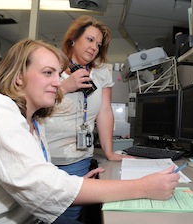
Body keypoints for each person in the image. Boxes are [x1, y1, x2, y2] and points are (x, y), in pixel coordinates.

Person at [0, 38, 180, 224]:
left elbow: (33, 173)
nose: (57, 82)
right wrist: (143, 187)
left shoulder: (34, 121)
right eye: (47, 73)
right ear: (18, 76)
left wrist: (78, 185)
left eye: (57, 73)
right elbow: (41, 185)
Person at [43, 16, 132, 219]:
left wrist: (110, 153)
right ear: (73, 39)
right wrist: (65, 87)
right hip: (43, 157)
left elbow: (104, 111)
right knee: (36, 213)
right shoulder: (51, 67)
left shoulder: (100, 73)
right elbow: (33, 105)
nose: (94, 48)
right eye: (90, 40)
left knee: (67, 215)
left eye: (99, 45)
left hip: (77, 158)